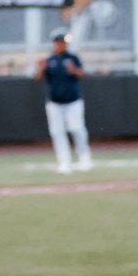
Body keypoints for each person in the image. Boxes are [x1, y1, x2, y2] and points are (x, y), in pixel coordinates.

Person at [34, 28, 92, 174]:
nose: (62, 45)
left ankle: (85, 158)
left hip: (73, 101)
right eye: (59, 42)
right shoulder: (49, 60)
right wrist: (40, 69)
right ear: (54, 43)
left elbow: (82, 74)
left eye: (64, 42)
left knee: (77, 129)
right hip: (54, 103)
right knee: (57, 132)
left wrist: (74, 71)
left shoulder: (73, 58)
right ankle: (64, 162)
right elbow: (38, 79)